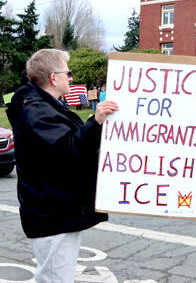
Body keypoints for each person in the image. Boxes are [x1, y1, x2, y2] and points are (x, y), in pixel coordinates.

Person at [6, 49, 118, 283]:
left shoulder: (43, 107)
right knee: (55, 279)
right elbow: (67, 152)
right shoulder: (36, 111)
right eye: (68, 73)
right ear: (53, 78)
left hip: (56, 210)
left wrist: (91, 126)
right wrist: (95, 123)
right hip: (52, 213)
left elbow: (64, 145)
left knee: (54, 277)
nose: (71, 78)